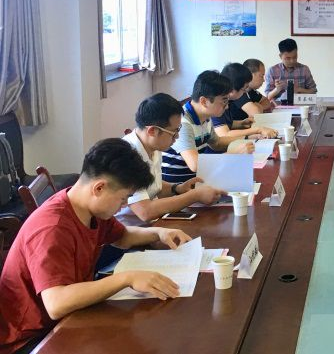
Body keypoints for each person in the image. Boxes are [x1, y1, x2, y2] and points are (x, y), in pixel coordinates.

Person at [0, 139, 192, 353]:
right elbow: (56, 303)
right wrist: (127, 278)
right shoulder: (52, 228)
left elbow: (123, 236)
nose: (123, 205)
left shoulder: (88, 208)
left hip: (69, 318)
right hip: (31, 339)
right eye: (123, 199)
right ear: (99, 188)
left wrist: (159, 232)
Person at [122, 93, 226, 222]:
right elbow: (145, 211)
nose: (177, 137)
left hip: (152, 223)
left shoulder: (153, 146)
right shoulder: (128, 156)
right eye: (174, 132)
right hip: (130, 226)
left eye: (178, 130)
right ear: (152, 131)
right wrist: (195, 195)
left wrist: (177, 188)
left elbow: (153, 187)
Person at [162, 70, 255, 185]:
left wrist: (249, 138)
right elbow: (195, 164)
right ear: (204, 101)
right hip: (180, 187)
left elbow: (217, 143)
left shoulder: (205, 117)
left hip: (199, 180)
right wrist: (233, 154)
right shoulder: (183, 123)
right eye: (224, 101)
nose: (226, 107)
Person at [212, 63, 277, 140]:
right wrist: (258, 130)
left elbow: (226, 123)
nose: (245, 92)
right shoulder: (218, 102)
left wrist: (241, 123)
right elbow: (224, 134)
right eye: (244, 89)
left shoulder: (227, 100)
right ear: (232, 89)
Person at [264, 38, 317, 102]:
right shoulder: (272, 71)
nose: (292, 61)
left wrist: (299, 89)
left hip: (301, 105)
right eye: (288, 58)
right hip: (279, 106)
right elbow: (268, 97)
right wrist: (277, 89)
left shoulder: (304, 69)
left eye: (295, 57)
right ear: (280, 56)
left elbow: (313, 91)